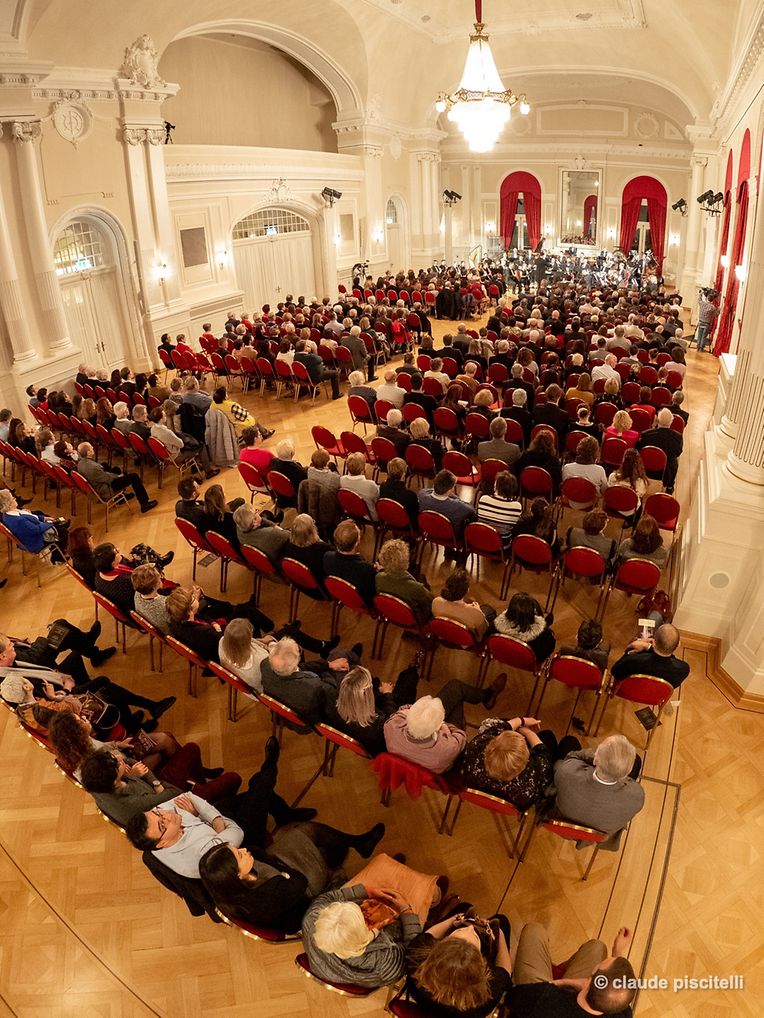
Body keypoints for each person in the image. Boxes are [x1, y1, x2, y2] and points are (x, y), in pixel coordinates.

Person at [125, 738, 316, 877]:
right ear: (162, 844)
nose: (166, 814)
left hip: (218, 820)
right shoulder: (201, 858)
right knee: (262, 784)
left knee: (258, 793)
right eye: (162, 825)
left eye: (158, 812)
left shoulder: (157, 822)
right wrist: (202, 816)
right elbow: (238, 833)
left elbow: (188, 796)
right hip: (243, 840)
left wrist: (214, 821)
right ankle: (270, 767)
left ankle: (282, 812)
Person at [198, 819, 386, 934]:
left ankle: (357, 843)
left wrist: (278, 869)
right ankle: (339, 855)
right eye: (239, 855)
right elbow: (300, 882)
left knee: (305, 830)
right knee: (312, 845)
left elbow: (256, 851)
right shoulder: (264, 899)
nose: (244, 849)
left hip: (282, 872)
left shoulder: (226, 886)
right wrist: (281, 870)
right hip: (303, 896)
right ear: (237, 875)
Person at [302, 881, 423, 989]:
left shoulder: (314, 917)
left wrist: (366, 891)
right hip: (384, 957)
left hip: (325, 968)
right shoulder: (382, 964)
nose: (364, 910)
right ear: (366, 932)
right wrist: (406, 910)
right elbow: (413, 955)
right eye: (362, 914)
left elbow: (328, 898)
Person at [80, 748, 240, 826]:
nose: (118, 758)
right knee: (233, 778)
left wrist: (148, 781)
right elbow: (175, 793)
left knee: (191, 749)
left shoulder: (96, 782)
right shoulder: (132, 804)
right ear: (114, 778)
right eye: (117, 764)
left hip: (157, 791)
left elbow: (126, 758)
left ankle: (201, 787)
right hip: (173, 807)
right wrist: (155, 783)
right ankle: (220, 808)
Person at [508, 922, 636, 1017]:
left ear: (592, 975)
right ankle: (557, 970)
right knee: (597, 947)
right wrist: (617, 951)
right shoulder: (620, 1011)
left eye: (602, 962)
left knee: (534, 931)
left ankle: (555, 973)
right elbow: (619, 992)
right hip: (575, 994)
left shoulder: (545, 997)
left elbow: (512, 997)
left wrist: (560, 983)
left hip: (541, 998)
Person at [405, 910, 512, 1017]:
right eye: (474, 937)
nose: (470, 928)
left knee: (465, 908)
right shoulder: (484, 997)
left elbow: (428, 935)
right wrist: (499, 932)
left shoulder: (416, 959)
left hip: (423, 1004)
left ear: (437, 946)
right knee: (502, 920)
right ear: (481, 964)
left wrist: (456, 918)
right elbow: (505, 970)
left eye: (459, 932)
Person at [552, 735, 644, 849]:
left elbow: (571, 756)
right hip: (595, 834)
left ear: (595, 759)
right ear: (627, 774)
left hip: (559, 819)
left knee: (570, 741)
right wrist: (614, 766)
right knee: (637, 760)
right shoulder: (637, 796)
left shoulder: (567, 771)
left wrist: (597, 758)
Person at [166, 584, 273, 662]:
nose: (194, 597)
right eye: (193, 598)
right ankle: (267, 633)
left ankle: (247, 609)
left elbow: (200, 618)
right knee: (247, 616)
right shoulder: (205, 633)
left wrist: (213, 623)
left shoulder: (177, 619)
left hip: (215, 628)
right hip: (225, 644)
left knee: (244, 610)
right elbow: (228, 640)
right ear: (189, 610)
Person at [75, 442, 157, 513]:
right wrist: (119, 476)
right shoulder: (93, 468)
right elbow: (108, 478)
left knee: (116, 469)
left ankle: (121, 497)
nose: (93, 447)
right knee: (134, 477)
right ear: (88, 453)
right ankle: (144, 504)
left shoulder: (80, 463)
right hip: (106, 488)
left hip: (100, 483)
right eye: (91, 447)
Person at [610, 623, 690, 689]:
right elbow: (673, 685)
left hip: (628, 690)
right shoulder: (683, 669)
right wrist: (648, 647)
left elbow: (615, 672)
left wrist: (644, 645)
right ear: (677, 646)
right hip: (655, 696)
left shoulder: (633, 660)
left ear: (653, 642)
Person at [0, 490, 69, 561]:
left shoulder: (6, 515)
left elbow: (30, 516)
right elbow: (36, 529)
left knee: (54, 523)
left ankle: (60, 525)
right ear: (9, 504)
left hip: (30, 534)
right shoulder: (19, 520)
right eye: (12, 498)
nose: (15, 498)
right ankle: (57, 556)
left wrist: (44, 518)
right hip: (35, 541)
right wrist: (50, 523)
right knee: (63, 532)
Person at [375, 538, 433, 623]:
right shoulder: (417, 588)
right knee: (422, 578)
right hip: (414, 621)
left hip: (391, 613)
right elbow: (432, 604)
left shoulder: (378, 578)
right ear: (406, 560)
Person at [323, 520, 377, 607]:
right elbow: (371, 594)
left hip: (340, 595)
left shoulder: (327, 557)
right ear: (357, 543)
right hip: (363, 604)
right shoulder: (367, 569)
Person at [431, 568, 495, 640]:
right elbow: (482, 631)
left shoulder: (436, 602)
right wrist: (478, 611)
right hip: (465, 641)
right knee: (489, 610)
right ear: (467, 590)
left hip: (443, 635)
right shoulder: (475, 613)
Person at [494, 592, 555, 662]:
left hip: (503, 655)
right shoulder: (545, 635)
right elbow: (548, 651)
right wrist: (544, 626)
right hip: (528, 663)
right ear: (532, 614)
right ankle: (545, 622)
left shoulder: (495, 628)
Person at [418, 469, 476, 542]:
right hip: (452, 538)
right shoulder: (458, 506)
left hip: (429, 530)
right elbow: (472, 511)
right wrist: (455, 498)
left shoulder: (422, 495)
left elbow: (427, 490)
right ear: (449, 490)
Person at [297, 449, 341, 540]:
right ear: (326, 462)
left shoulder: (310, 472)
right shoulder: (335, 479)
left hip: (313, 511)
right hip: (329, 512)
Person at [638, 407, 683, 493]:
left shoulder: (646, 435)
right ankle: (669, 486)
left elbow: (640, 449)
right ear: (671, 422)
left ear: (658, 420)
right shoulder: (678, 437)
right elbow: (678, 452)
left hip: (646, 466)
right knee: (674, 461)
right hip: (665, 472)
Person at [282, 513, 331, 585]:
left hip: (300, 585)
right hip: (320, 588)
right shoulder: (323, 549)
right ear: (312, 529)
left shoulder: (288, 545)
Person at [475, 470, 522, 544]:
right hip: (502, 546)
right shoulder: (517, 507)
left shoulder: (484, 499)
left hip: (481, 541)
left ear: (495, 487)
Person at [515, 430, 562, 498]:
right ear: (552, 444)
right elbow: (557, 484)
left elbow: (517, 472)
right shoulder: (554, 462)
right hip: (546, 494)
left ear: (534, 442)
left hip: (525, 490)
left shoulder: (525, 456)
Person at [562, 436, 607, 502]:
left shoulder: (567, 468)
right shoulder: (600, 470)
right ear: (596, 453)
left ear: (578, 449)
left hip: (571, 500)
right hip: (591, 503)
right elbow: (604, 491)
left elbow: (565, 487)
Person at [379, 457, 419, 528]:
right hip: (407, 526)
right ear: (403, 474)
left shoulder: (383, 486)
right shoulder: (410, 495)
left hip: (389, 520)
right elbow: (415, 515)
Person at [340, 451, 380, 520]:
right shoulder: (370, 485)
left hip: (351, 511)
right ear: (363, 467)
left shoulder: (342, 479)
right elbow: (377, 500)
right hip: (370, 516)